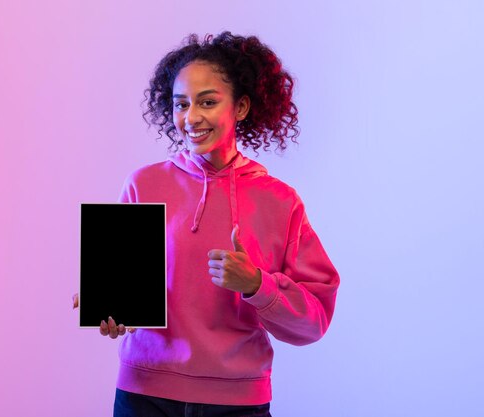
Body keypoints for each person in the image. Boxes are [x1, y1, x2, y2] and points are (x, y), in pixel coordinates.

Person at [74, 31, 340, 417]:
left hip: (237, 404)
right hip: (143, 395)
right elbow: (127, 294)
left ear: (242, 106)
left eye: (208, 102)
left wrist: (256, 284)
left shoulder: (281, 201)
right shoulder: (144, 184)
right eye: (181, 104)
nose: (191, 117)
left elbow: (313, 322)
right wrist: (111, 309)